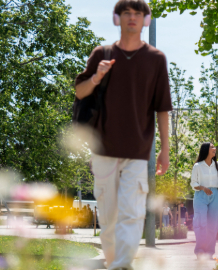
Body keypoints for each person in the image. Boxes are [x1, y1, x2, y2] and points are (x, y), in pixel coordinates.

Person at [74, 0, 172, 268]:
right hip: (103, 150)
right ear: (117, 18)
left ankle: (121, 265)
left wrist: (164, 150)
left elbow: (162, 107)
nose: (132, 18)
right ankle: (113, 261)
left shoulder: (156, 59)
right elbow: (79, 92)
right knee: (107, 218)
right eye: (126, 13)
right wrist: (97, 76)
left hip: (138, 152)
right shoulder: (101, 53)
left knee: (132, 213)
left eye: (138, 13)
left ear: (146, 20)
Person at [190, 142, 218, 259]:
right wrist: (203, 187)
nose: (214, 148)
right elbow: (193, 183)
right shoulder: (198, 166)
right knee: (200, 223)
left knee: (213, 224)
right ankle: (200, 250)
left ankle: (210, 251)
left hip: (215, 195)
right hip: (201, 194)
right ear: (206, 150)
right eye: (212, 147)